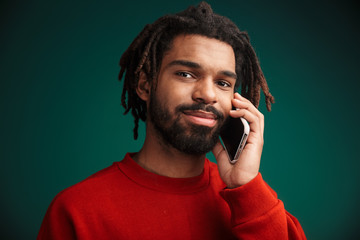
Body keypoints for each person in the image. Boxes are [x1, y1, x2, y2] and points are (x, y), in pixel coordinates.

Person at [37, 2, 306, 239]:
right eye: (186, 74)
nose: (208, 95)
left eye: (223, 83)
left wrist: (246, 187)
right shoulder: (75, 211)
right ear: (145, 85)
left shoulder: (253, 202)